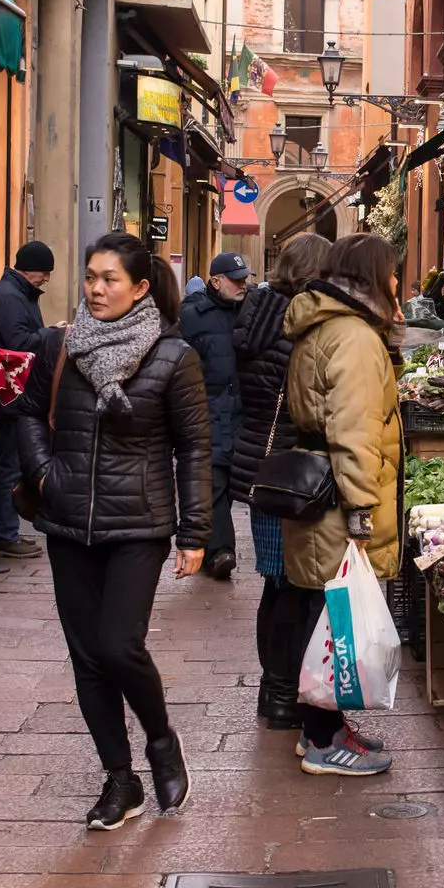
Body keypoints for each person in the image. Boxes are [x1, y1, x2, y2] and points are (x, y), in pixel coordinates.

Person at [16, 232, 211, 828]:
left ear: (141, 287)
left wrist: (195, 532)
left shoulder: (174, 358)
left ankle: (160, 741)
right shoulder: (61, 344)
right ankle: (118, 778)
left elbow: (194, 447)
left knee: (118, 645)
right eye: (90, 277)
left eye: (110, 280)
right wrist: (46, 475)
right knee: (86, 659)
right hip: (69, 520)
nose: (96, 290)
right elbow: (26, 413)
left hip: (140, 524)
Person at [281, 233, 403, 776]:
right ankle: (323, 740)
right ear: (372, 276)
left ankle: (324, 731)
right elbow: (354, 433)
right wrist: (362, 511)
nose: (397, 282)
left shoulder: (328, 327)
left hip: (320, 497)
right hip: (337, 501)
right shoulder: (353, 337)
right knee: (332, 621)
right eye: (392, 272)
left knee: (323, 615)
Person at [230, 233, 332, 728]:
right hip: (288, 470)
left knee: (277, 584)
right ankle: (279, 694)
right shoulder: (297, 327)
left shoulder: (258, 312)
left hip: (259, 467)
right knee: (290, 586)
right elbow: (303, 402)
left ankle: (274, 690)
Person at [176, 250, 252, 580]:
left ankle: (212, 549)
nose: (242, 285)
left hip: (242, 414)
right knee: (213, 484)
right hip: (208, 412)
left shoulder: (248, 311)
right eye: (235, 281)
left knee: (234, 484)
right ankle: (222, 551)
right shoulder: (193, 315)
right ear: (216, 281)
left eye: (244, 279)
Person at [0, 240, 53, 560]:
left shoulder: (16, 293)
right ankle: (3, 533)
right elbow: (19, 343)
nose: (47, 279)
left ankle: (2, 529)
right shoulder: (10, 297)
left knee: (7, 459)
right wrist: (51, 336)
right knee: (9, 463)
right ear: (29, 269)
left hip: (12, 389)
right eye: (44, 272)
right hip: (12, 390)